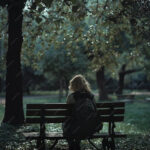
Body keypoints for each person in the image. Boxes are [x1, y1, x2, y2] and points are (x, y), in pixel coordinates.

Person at [62, 74, 102, 150]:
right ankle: (77, 143)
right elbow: (95, 111)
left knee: (69, 123)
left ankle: (71, 144)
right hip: (90, 128)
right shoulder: (91, 96)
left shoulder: (72, 97)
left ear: (73, 85)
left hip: (75, 129)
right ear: (84, 84)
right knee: (80, 122)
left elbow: (67, 113)